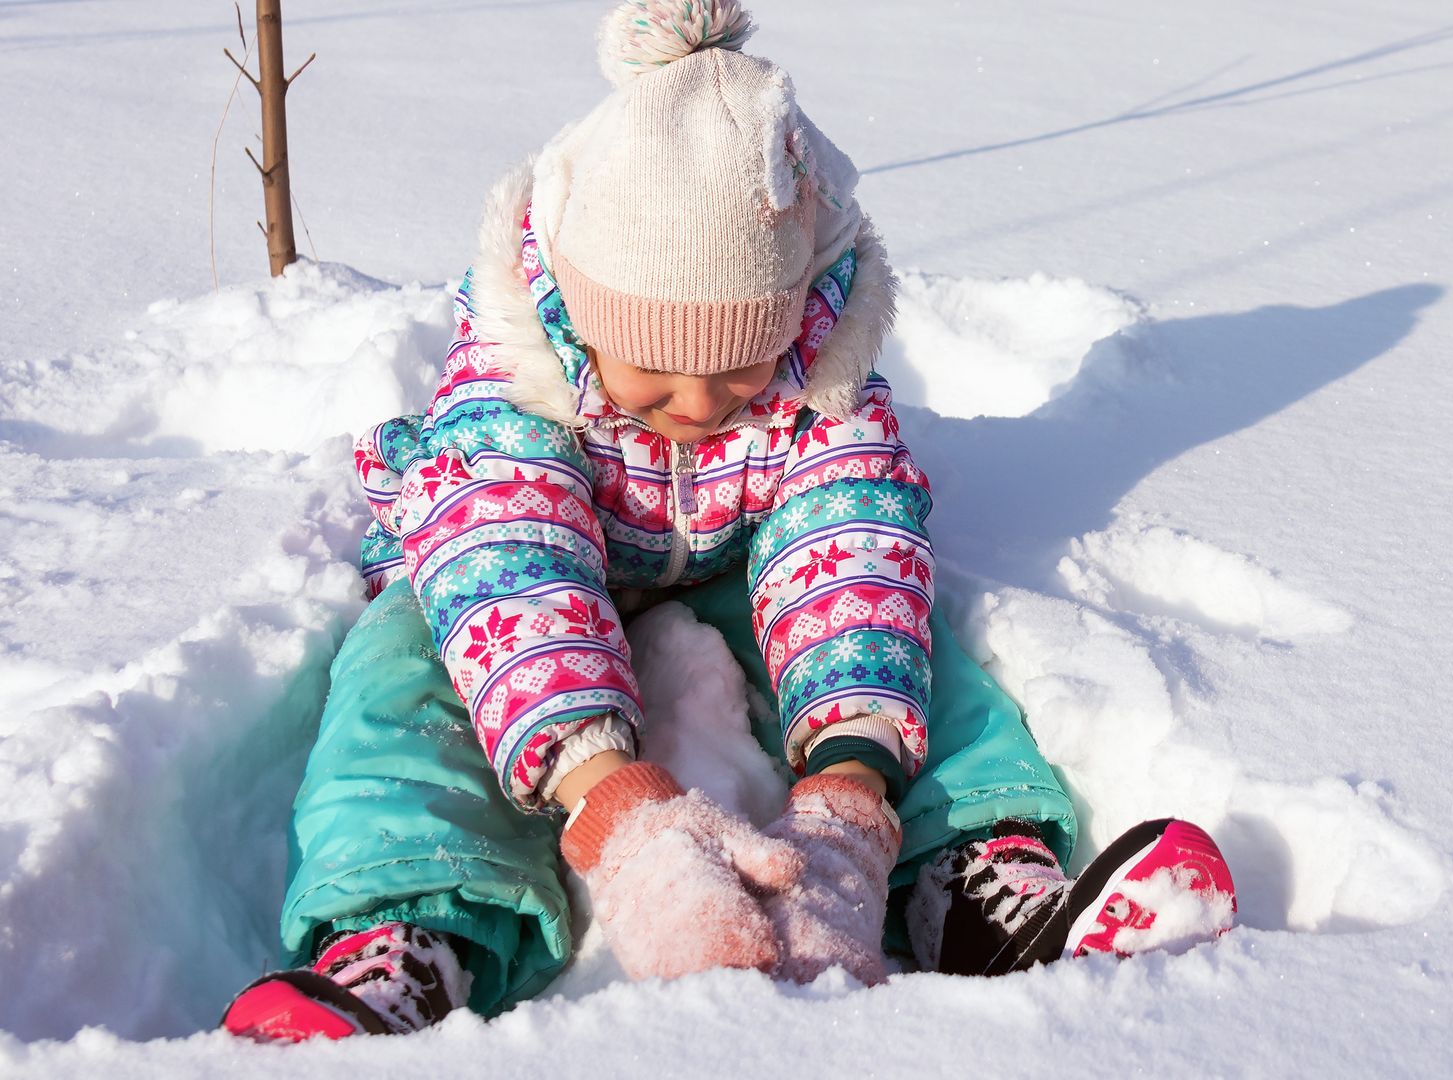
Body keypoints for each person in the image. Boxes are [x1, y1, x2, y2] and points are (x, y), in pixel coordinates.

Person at [221, 0, 1236, 1042]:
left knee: (912, 644)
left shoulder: (816, 375)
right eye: (655, 369)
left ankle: (979, 886)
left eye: (742, 363)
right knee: (402, 676)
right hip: (505, 580)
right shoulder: (515, 385)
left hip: (725, 556)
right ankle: (406, 938)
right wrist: (610, 801)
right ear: (578, 313)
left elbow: (850, 546)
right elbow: (507, 564)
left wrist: (851, 786)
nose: (703, 403)